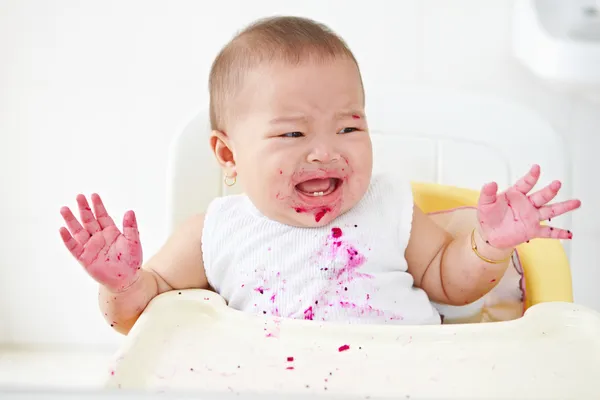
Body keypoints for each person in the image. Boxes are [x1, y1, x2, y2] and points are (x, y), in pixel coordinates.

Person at [58, 16, 581, 334]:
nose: (326, 152)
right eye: (292, 134)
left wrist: (487, 244)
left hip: (407, 376)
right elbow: (139, 317)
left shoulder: (388, 206)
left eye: (349, 126)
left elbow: (450, 281)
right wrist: (122, 283)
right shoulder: (212, 231)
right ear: (228, 155)